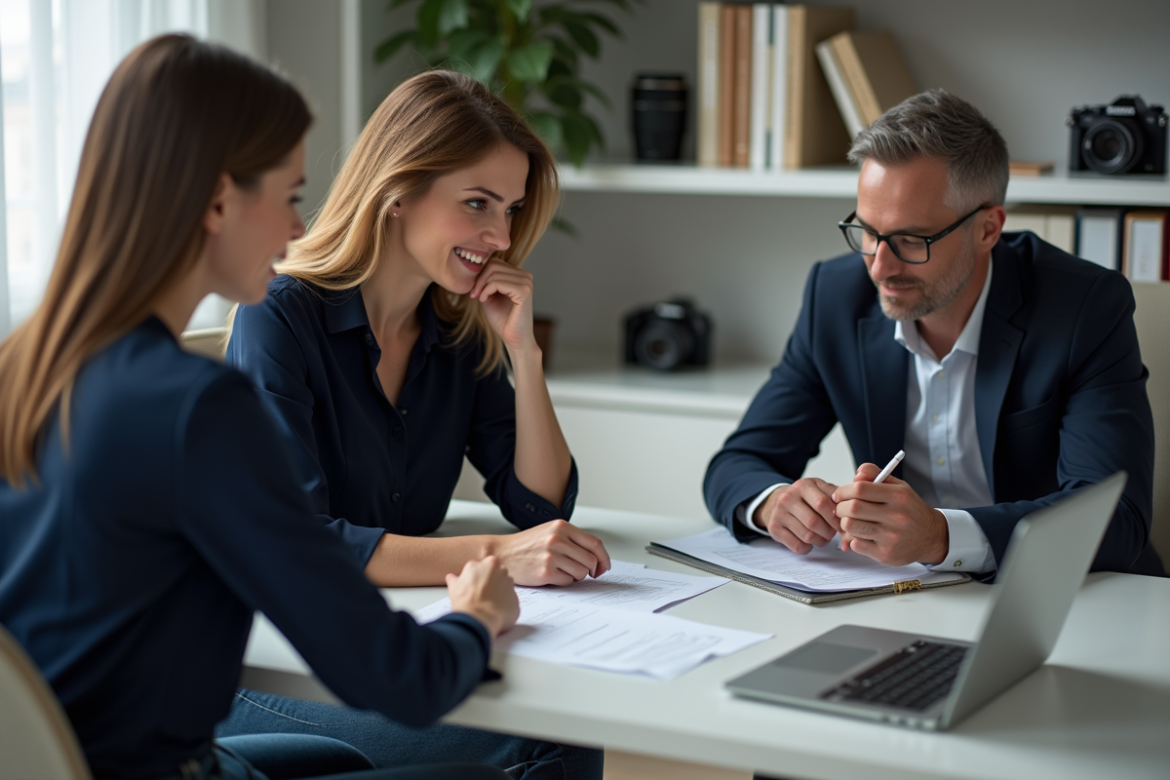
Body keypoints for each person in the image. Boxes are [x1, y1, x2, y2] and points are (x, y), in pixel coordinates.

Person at [0, 35, 520, 780]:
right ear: (218, 200)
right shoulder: (198, 409)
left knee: (331, 755)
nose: (299, 231)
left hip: (58, 760)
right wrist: (478, 616)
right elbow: (399, 677)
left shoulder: (25, 367)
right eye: (290, 197)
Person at [218, 71, 605, 778]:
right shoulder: (279, 316)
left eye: (511, 210)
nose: (499, 236)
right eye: (477, 204)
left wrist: (524, 351)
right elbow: (301, 539)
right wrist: (494, 555)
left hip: (387, 638)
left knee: (567, 726)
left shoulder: (456, 330)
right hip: (273, 668)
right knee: (549, 741)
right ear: (398, 192)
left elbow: (540, 507)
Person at [704, 89, 1163, 579]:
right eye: (867, 231)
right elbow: (739, 462)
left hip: (1063, 595)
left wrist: (941, 537)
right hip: (900, 599)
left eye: (910, 240)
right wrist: (773, 503)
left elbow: (1116, 520)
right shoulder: (834, 297)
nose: (879, 266)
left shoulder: (1084, 307)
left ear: (988, 229)